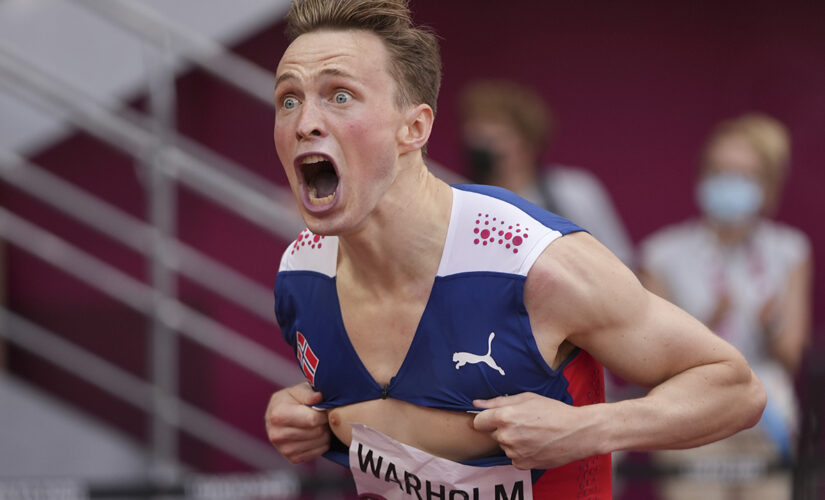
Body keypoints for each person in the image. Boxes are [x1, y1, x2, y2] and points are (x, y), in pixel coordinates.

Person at [265, 0, 766, 497]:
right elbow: (400, 412)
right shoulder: (300, 276)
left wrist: (591, 427)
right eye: (289, 99)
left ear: (414, 128)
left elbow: (736, 388)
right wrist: (311, 416)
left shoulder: (534, 262)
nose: (305, 121)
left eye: (340, 96)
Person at [639, 113, 812, 500]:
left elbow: (790, 359)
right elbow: (652, 360)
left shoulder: (790, 250)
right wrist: (706, 323)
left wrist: (771, 326)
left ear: (767, 185)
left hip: (768, 419)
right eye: (718, 172)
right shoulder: (661, 254)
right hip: (692, 419)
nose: (727, 184)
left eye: (743, 175)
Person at [459, 80, 634, 267]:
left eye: (494, 136)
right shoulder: (464, 202)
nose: (479, 145)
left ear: (527, 142)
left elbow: (618, 261)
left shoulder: (573, 191)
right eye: (474, 135)